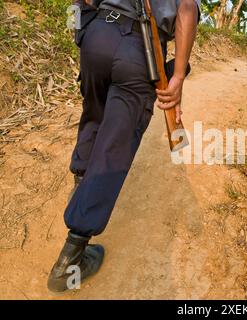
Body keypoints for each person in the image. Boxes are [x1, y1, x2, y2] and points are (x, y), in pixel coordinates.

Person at [47, 0, 200, 292]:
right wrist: (178, 75)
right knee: (113, 149)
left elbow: (80, 3)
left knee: (94, 115)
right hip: (139, 50)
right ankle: (71, 258)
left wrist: (80, 35)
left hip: (96, 36)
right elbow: (187, 10)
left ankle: (81, 182)